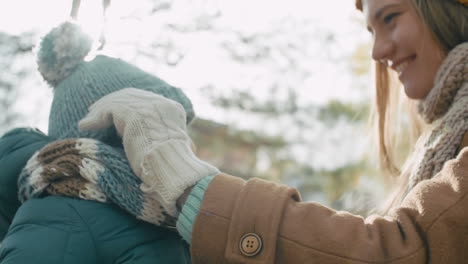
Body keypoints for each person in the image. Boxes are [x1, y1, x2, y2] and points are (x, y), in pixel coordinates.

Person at [79, 0, 468, 263]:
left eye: (390, 18)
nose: (377, 51)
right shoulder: (446, 133)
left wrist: (187, 185)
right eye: (370, 31)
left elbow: (410, 250)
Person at [0, 21, 193, 263]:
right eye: (163, 129)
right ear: (118, 137)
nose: (182, 146)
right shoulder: (61, 215)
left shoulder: (175, 215)